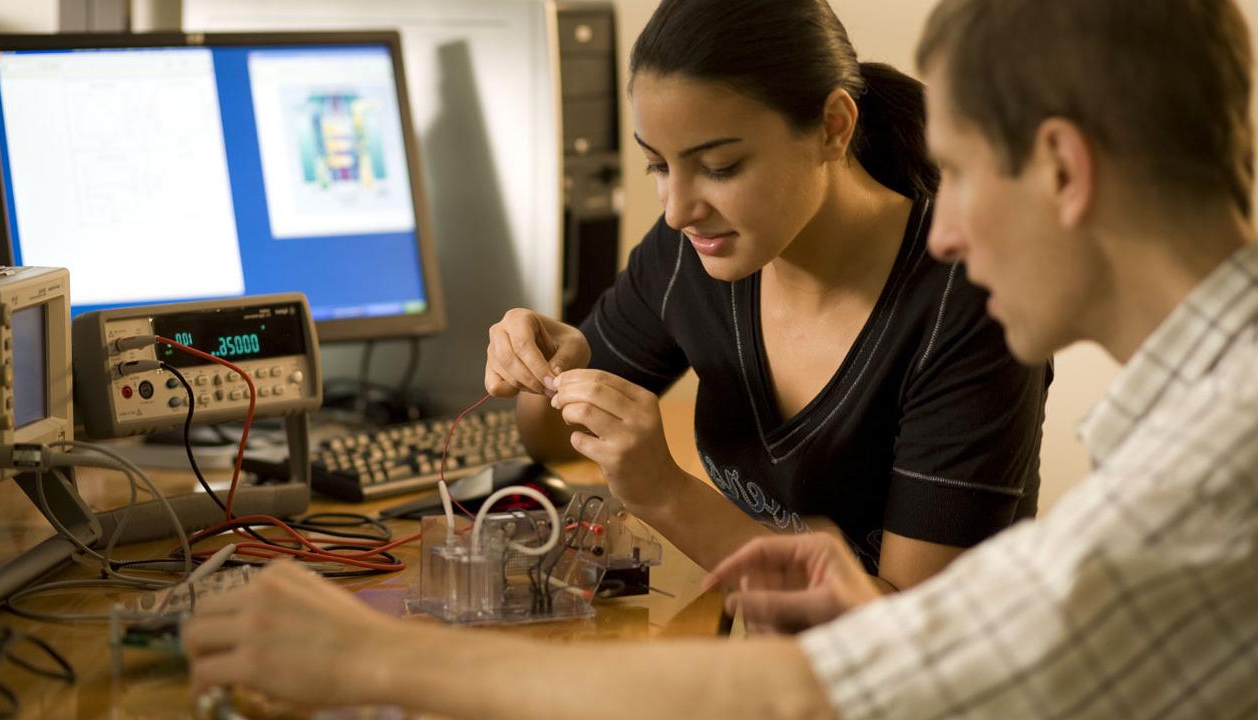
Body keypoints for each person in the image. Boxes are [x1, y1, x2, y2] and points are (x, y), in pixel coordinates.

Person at [183, 0, 1258, 716]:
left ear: (1062, 171)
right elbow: (949, 661)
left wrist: (368, 659)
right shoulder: (1200, 420)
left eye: (961, 172)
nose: (944, 229)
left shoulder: (1215, 471)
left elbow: (819, 693)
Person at [485, 0, 1050, 588]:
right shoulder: (693, 251)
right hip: (782, 658)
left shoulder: (970, 306)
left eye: (721, 166)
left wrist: (664, 493)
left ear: (834, 127)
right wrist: (555, 373)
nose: (678, 211)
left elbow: (906, 634)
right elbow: (546, 441)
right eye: (657, 165)